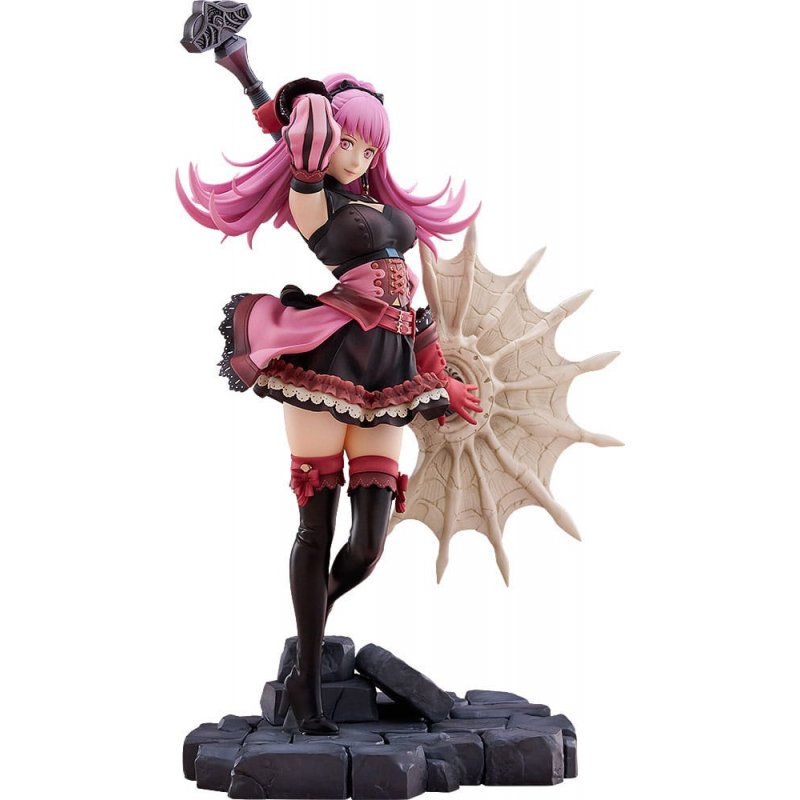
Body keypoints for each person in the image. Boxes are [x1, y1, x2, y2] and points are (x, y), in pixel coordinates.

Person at [177, 73, 482, 734]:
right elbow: (306, 162)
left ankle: (305, 644)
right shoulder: (315, 200)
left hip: (388, 375)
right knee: (317, 528)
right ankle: (309, 689)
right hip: (329, 364)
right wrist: (283, 106)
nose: (360, 156)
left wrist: (440, 376)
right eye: (349, 142)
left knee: (368, 544)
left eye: (370, 148)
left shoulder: (381, 207)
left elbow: (413, 310)